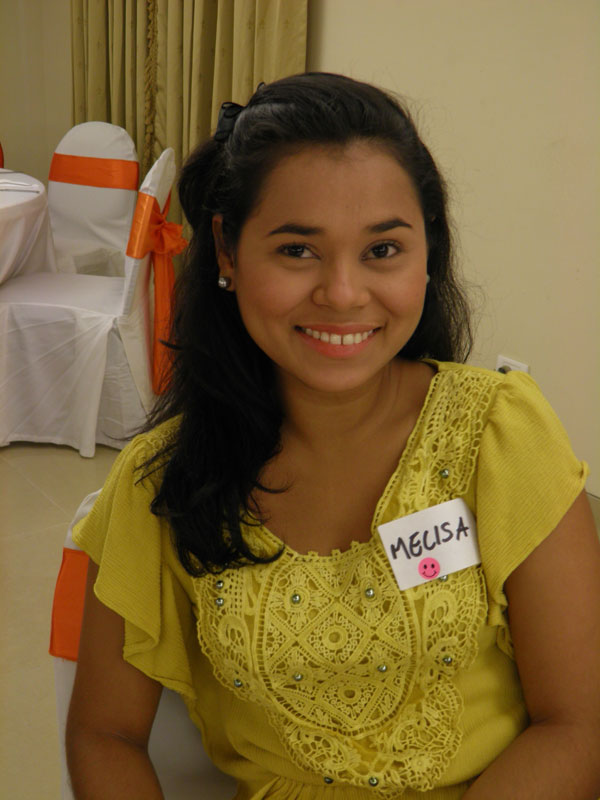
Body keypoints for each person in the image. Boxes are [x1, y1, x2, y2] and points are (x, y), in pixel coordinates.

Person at [65, 73, 600, 799]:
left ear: (428, 251)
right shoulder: (163, 480)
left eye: (382, 250)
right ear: (227, 251)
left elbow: (578, 724)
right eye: (297, 250)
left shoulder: (499, 433)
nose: (343, 294)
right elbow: (105, 733)